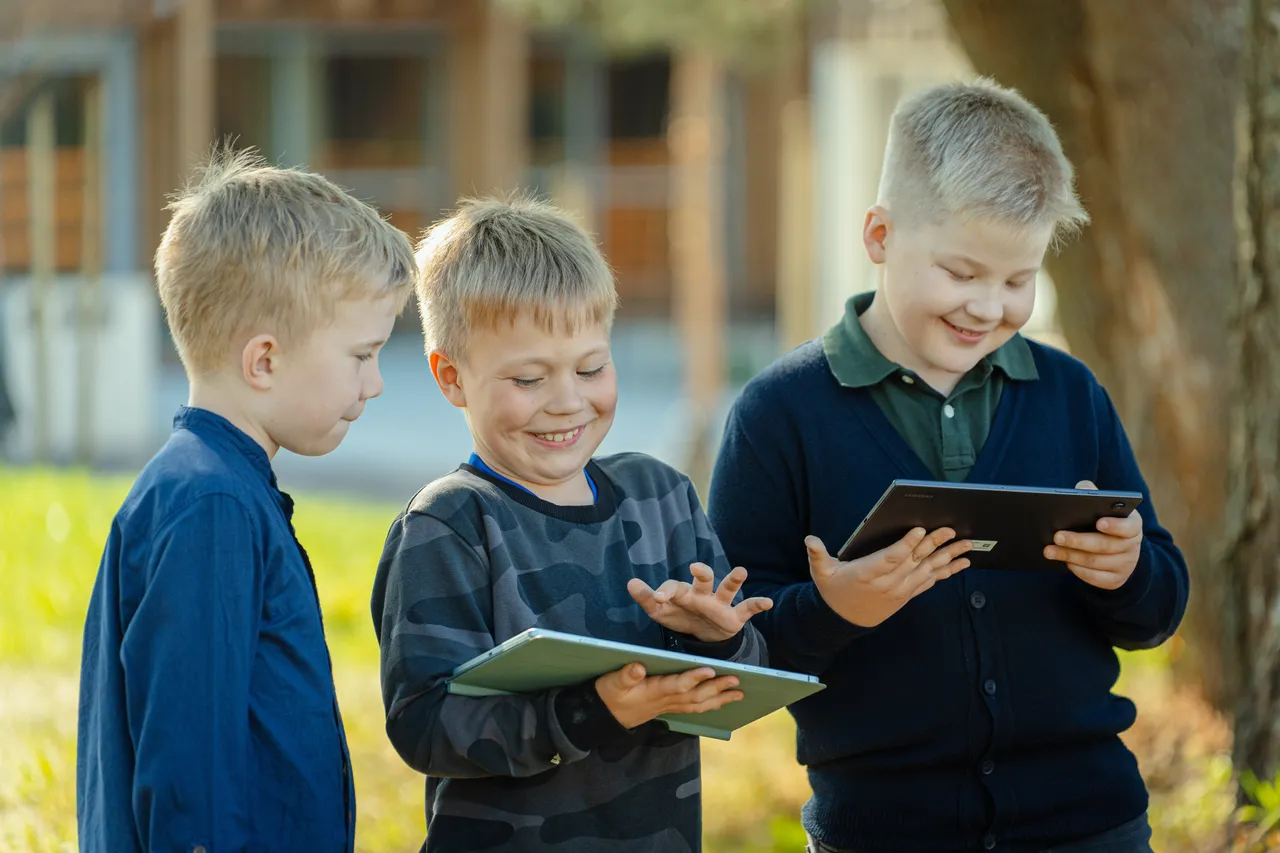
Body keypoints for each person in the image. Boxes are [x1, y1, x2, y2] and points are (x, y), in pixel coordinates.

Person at [708, 78, 1188, 853]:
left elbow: (1157, 610)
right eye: (962, 274)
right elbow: (730, 652)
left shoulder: (1071, 395)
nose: (988, 307)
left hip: (1091, 824)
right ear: (879, 235)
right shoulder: (779, 416)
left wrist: (1128, 570)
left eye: (1018, 280)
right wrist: (835, 609)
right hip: (884, 832)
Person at [371, 196, 795, 852]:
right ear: (451, 377)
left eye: (591, 367)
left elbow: (740, 685)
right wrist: (591, 711)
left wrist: (721, 640)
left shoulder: (661, 495)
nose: (568, 401)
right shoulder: (448, 525)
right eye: (528, 378)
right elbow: (424, 726)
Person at [76, 148, 417, 853]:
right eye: (361, 355)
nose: (376, 382)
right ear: (264, 360)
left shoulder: (218, 489)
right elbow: (191, 772)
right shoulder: (210, 504)